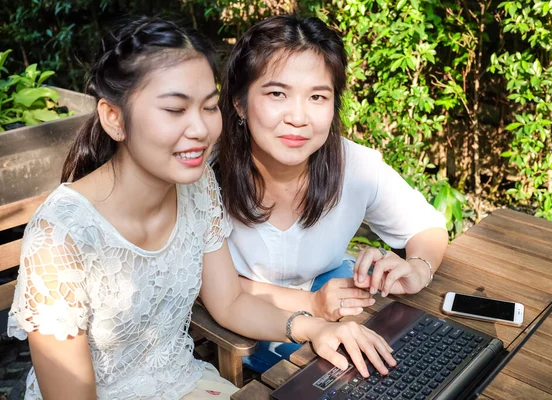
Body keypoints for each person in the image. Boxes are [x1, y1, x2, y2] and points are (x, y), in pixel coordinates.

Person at [6, 16, 397, 400]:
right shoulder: (61, 236)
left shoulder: (196, 188)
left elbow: (230, 302)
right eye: (175, 110)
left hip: (185, 382)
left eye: (209, 107)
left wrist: (314, 329)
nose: (200, 129)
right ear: (114, 118)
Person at [216, 15, 449, 373]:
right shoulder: (204, 176)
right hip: (245, 329)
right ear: (239, 103)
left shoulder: (355, 165)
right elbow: (211, 289)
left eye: (317, 96)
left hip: (337, 305)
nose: (298, 117)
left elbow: (427, 228)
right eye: (277, 93)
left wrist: (418, 268)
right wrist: (311, 304)